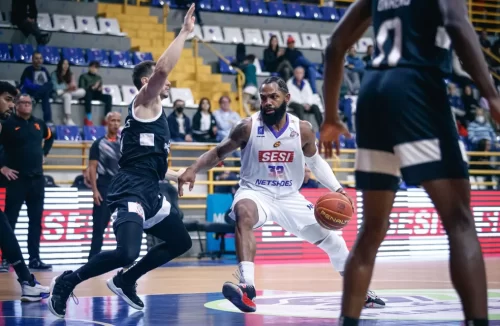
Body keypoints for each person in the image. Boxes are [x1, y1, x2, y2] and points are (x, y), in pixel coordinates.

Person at [319, 0, 500, 325]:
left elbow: (335, 46)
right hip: (417, 89)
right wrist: (492, 94)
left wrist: (331, 117)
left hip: (372, 95)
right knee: (459, 221)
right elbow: (458, 25)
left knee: (372, 229)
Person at [177, 76, 385, 313]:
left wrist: (337, 189)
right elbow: (217, 153)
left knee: (335, 242)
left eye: (273, 97)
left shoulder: (302, 130)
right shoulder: (247, 127)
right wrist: (193, 169)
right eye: (263, 98)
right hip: (255, 192)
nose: (267, 102)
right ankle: (247, 286)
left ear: (287, 98)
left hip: (290, 197)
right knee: (244, 212)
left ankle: (360, 292)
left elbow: (315, 163)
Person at [47, 5, 196, 319]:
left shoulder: (157, 117)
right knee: (127, 251)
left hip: (149, 187)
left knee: (180, 240)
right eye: (160, 80)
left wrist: (177, 173)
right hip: (129, 188)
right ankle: (69, 281)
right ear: (146, 81)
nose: (168, 84)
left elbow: (149, 162)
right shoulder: (145, 102)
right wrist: (183, 32)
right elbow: (162, 71)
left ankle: (126, 279)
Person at [0, 81, 49, 301]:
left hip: (36, 179)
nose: (11, 105)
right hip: (17, 181)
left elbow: (50, 137)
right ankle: (26, 280)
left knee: (5, 228)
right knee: (6, 225)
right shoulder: (8, 125)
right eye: (8, 100)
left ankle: (27, 278)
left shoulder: (38, 124)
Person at [87, 112, 122, 260]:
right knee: (99, 227)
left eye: (118, 121)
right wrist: (95, 190)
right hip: (104, 187)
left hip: (121, 188)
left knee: (123, 226)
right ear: (107, 123)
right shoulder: (98, 144)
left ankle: (125, 257)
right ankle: (92, 259)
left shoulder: (124, 143)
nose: (115, 123)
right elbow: (92, 168)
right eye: (112, 120)